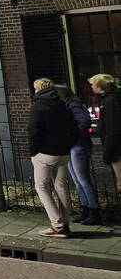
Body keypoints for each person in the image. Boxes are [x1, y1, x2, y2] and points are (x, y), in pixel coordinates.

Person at [28, 78, 80, 238]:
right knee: (61, 186)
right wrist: (68, 145)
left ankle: (57, 225)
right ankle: (65, 223)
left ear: (37, 89)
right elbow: (73, 128)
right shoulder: (62, 104)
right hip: (63, 153)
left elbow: (34, 131)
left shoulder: (38, 106)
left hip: (44, 153)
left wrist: (33, 152)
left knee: (42, 187)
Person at [58, 85, 100, 225]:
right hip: (72, 146)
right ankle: (85, 210)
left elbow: (85, 121)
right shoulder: (67, 105)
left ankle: (94, 211)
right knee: (77, 181)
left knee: (83, 180)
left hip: (78, 146)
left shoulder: (73, 105)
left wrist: (73, 135)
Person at [89, 73, 120, 193]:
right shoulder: (110, 98)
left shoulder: (109, 100)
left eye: (92, 84)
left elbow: (112, 127)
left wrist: (108, 151)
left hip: (116, 149)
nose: (91, 87)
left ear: (99, 86)